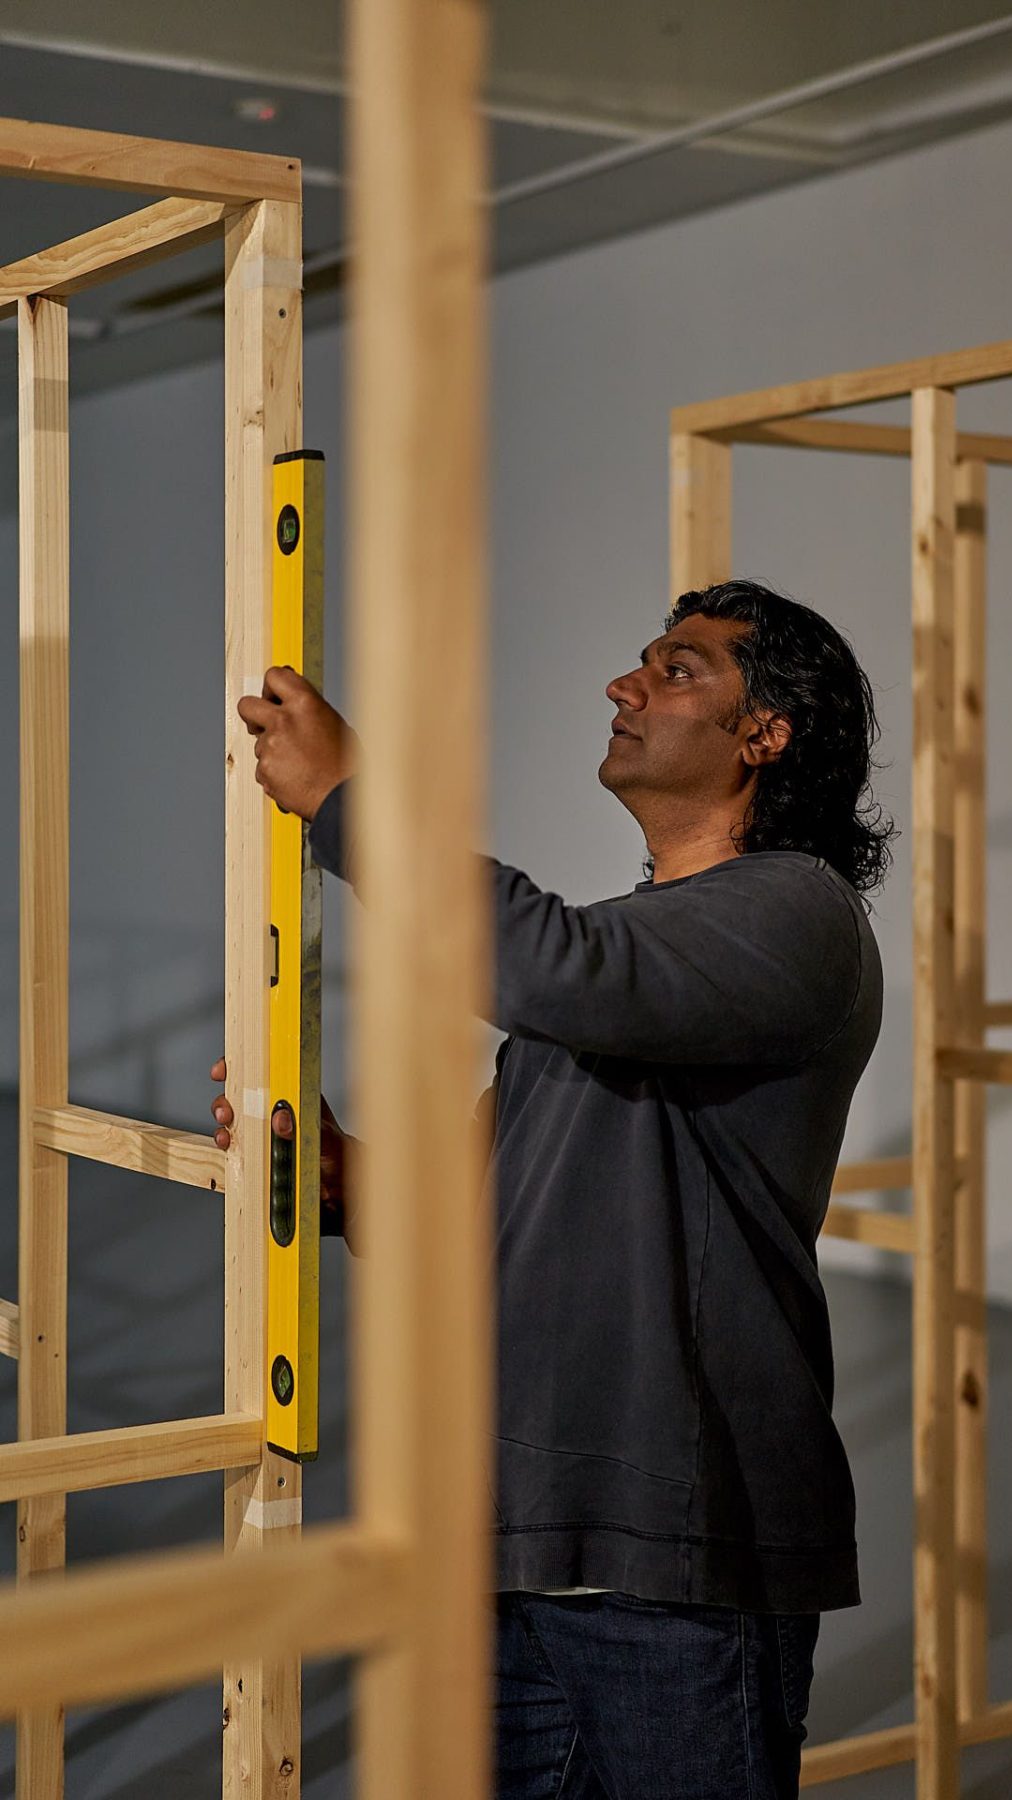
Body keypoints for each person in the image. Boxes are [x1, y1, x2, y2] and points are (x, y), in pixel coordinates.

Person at [210, 578, 892, 1799]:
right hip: (517, 1534)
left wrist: (357, 806)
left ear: (766, 734)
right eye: (641, 661)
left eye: (679, 669)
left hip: (679, 1555)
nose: (627, 686)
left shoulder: (797, 912)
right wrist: (338, 1174)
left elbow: (544, 965)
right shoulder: (630, 953)